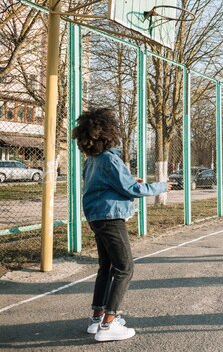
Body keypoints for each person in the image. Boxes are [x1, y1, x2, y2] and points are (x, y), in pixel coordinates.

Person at [72, 108, 170, 341]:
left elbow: (108, 185)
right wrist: (162, 186)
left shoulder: (93, 160)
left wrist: (129, 180)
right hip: (111, 218)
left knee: (106, 267)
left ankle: (96, 319)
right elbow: (133, 189)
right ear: (108, 133)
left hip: (97, 218)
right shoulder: (109, 159)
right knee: (125, 268)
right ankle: (109, 323)